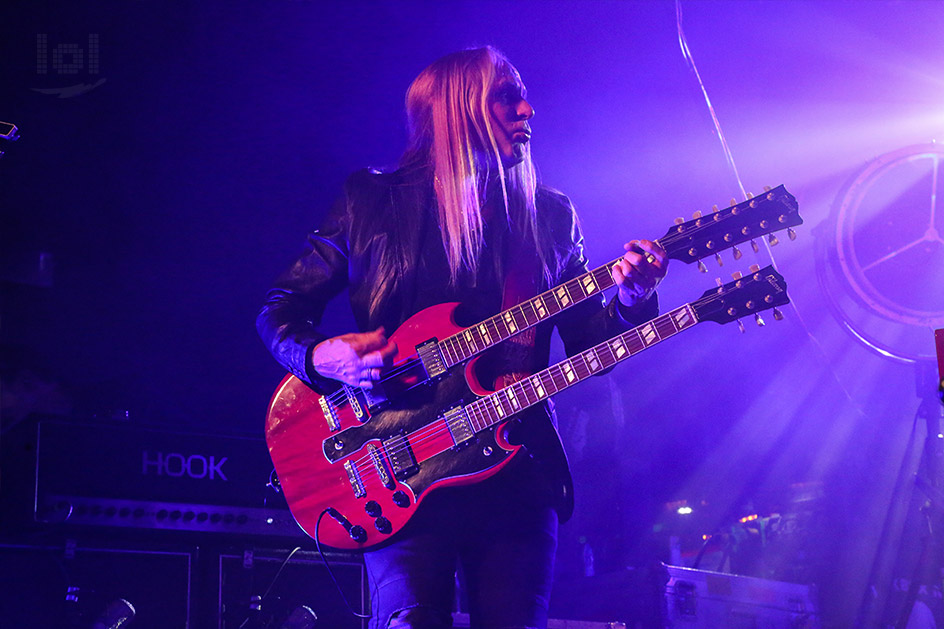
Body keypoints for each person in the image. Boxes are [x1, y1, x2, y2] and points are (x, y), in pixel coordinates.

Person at [257, 46, 668, 629]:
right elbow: (280, 309)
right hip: (395, 461)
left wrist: (631, 298)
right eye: (506, 95)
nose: (526, 107)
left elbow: (587, 342)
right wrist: (323, 355)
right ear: (455, 108)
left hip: (515, 468)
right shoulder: (371, 200)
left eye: (522, 95)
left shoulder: (548, 216)